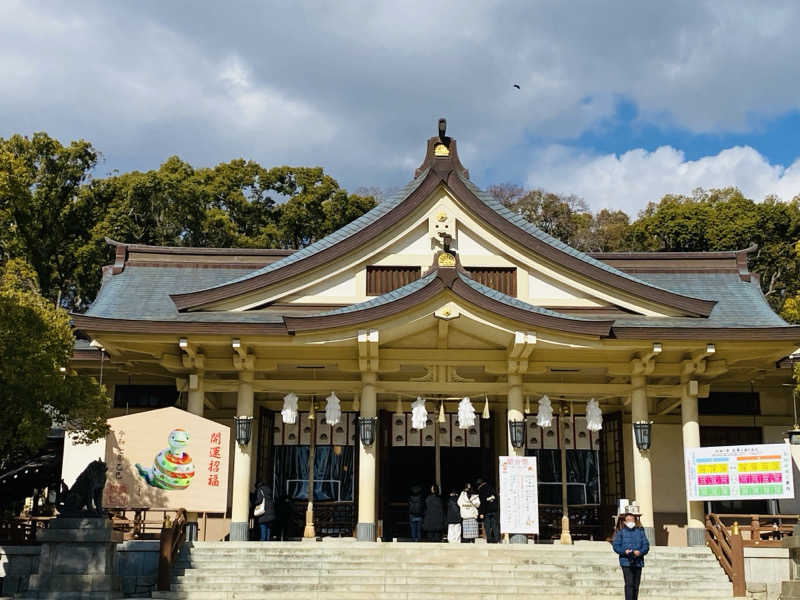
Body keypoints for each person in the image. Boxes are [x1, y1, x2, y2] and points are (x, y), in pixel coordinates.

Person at [611, 503, 649, 600]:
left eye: (632, 520)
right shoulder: (620, 532)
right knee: (629, 584)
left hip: (638, 561)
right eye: (628, 520)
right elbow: (616, 546)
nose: (630, 521)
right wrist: (624, 551)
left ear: (635, 520)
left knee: (636, 585)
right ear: (624, 522)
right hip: (626, 561)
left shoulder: (640, 531)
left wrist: (640, 552)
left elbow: (646, 545)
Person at [475, 477, 499, 543]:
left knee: (487, 526)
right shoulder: (491, 488)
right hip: (494, 510)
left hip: (487, 511)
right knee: (495, 525)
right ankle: (497, 539)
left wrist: (481, 512)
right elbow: (496, 498)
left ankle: (489, 539)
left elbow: (482, 502)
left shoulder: (482, 489)